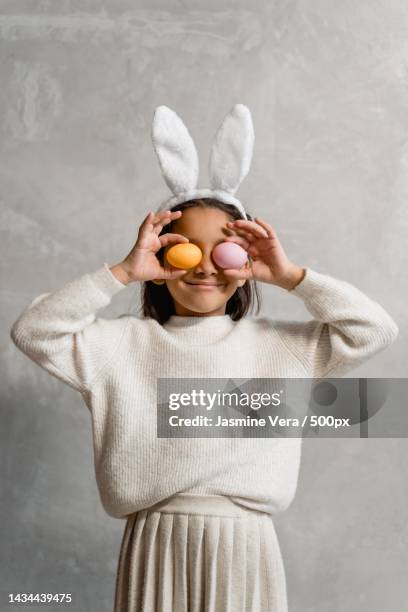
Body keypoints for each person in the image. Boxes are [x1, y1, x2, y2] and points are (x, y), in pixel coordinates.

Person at [9, 106, 399, 612]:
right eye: (185, 250)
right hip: (155, 539)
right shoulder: (119, 347)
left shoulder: (281, 346)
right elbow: (33, 331)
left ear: (246, 263)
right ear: (162, 260)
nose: (205, 267)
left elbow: (375, 329)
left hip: (246, 541)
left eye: (225, 252)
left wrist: (291, 276)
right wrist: (122, 273)